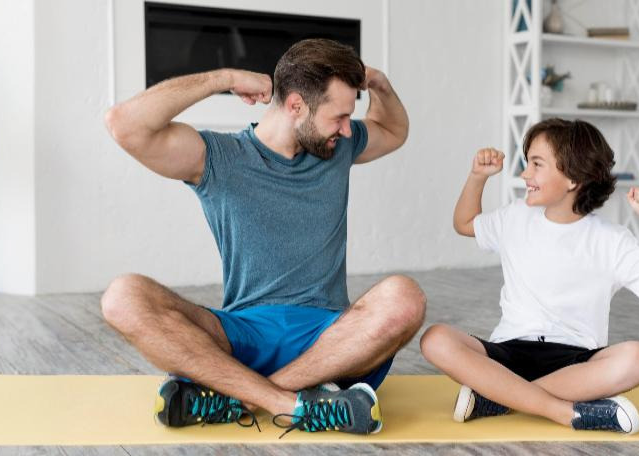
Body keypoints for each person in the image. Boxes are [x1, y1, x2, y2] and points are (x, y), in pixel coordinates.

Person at [101, 38, 421, 436]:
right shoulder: (217, 157)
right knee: (122, 297)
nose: (346, 127)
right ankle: (298, 405)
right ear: (295, 106)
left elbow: (393, 129)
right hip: (240, 338)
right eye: (338, 116)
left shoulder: (336, 146)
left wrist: (381, 86)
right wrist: (224, 77)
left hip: (331, 344)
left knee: (405, 298)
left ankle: (236, 398)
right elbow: (123, 124)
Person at [420, 118, 639, 435]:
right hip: (507, 353)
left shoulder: (611, 240)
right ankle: (564, 412)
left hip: (576, 363)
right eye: (527, 163)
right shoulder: (515, 216)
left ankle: (499, 397)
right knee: (435, 339)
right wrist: (477, 177)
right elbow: (465, 223)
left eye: (537, 165)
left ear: (573, 179)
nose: (525, 174)